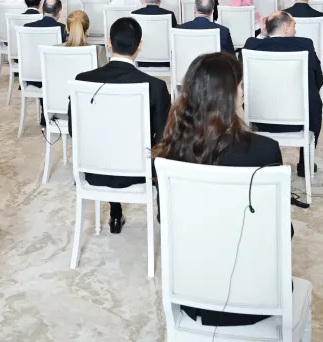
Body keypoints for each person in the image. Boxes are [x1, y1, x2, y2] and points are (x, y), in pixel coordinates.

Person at [153, 51, 284, 328]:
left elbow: (166, 221)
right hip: (256, 298)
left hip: (194, 294)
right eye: (241, 85)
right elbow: (280, 233)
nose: (244, 92)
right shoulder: (264, 150)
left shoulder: (171, 153)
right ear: (231, 94)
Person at [74, 17, 171, 234]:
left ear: (109, 43)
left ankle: (115, 213)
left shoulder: (82, 80)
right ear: (140, 46)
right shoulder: (156, 86)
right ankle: (164, 217)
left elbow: (74, 130)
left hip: (94, 170)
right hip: (138, 172)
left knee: (109, 143)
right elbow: (163, 139)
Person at [242, 11, 323, 177]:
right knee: (314, 100)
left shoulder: (252, 45)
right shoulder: (304, 44)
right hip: (300, 120)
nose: (295, 30)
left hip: (259, 119)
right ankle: (305, 163)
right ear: (286, 28)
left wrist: (262, 34)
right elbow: (318, 79)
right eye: (294, 26)